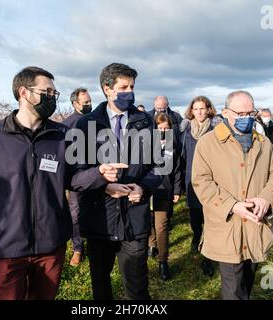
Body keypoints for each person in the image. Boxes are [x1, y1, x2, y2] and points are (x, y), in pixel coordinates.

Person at [0, 66, 73, 300]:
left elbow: (77, 177)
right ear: (24, 92)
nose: (52, 97)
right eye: (47, 91)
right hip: (6, 246)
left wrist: (103, 177)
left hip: (51, 245)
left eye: (54, 93)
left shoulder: (62, 135)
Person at [71, 62, 161, 300]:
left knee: (137, 288)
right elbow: (76, 176)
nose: (129, 92)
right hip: (100, 218)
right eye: (123, 87)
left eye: (132, 86)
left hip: (135, 218)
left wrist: (142, 187)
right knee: (101, 287)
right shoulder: (86, 124)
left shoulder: (145, 122)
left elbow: (159, 166)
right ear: (107, 89)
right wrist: (102, 181)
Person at [192, 90, 273, 300]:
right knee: (233, 288)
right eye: (240, 113)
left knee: (247, 280)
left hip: (256, 225)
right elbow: (201, 181)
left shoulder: (263, 143)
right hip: (227, 226)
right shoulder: (208, 143)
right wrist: (232, 205)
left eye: (250, 113)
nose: (246, 118)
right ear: (226, 113)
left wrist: (267, 198)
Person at [180, 95, 218, 277]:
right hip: (192, 179)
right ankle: (196, 236)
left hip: (211, 180)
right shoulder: (186, 131)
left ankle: (208, 257)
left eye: (203, 108)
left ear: (208, 109)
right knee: (195, 217)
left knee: (210, 218)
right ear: (191, 111)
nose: (200, 112)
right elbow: (182, 157)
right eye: (196, 109)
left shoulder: (216, 129)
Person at [148, 112, 182, 280]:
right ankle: (152, 244)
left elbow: (176, 170)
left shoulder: (172, 145)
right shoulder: (145, 144)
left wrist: (176, 190)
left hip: (163, 190)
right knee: (149, 222)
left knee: (161, 225)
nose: (163, 130)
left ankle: (163, 261)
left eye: (166, 127)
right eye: (160, 127)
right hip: (147, 190)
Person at [62, 88, 92, 266]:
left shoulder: (96, 121)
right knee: (75, 213)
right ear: (75, 104)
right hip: (77, 177)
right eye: (85, 103)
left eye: (90, 101)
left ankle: (99, 242)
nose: (89, 105)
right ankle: (78, 248)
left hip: (98, 173)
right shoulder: (67, 125)